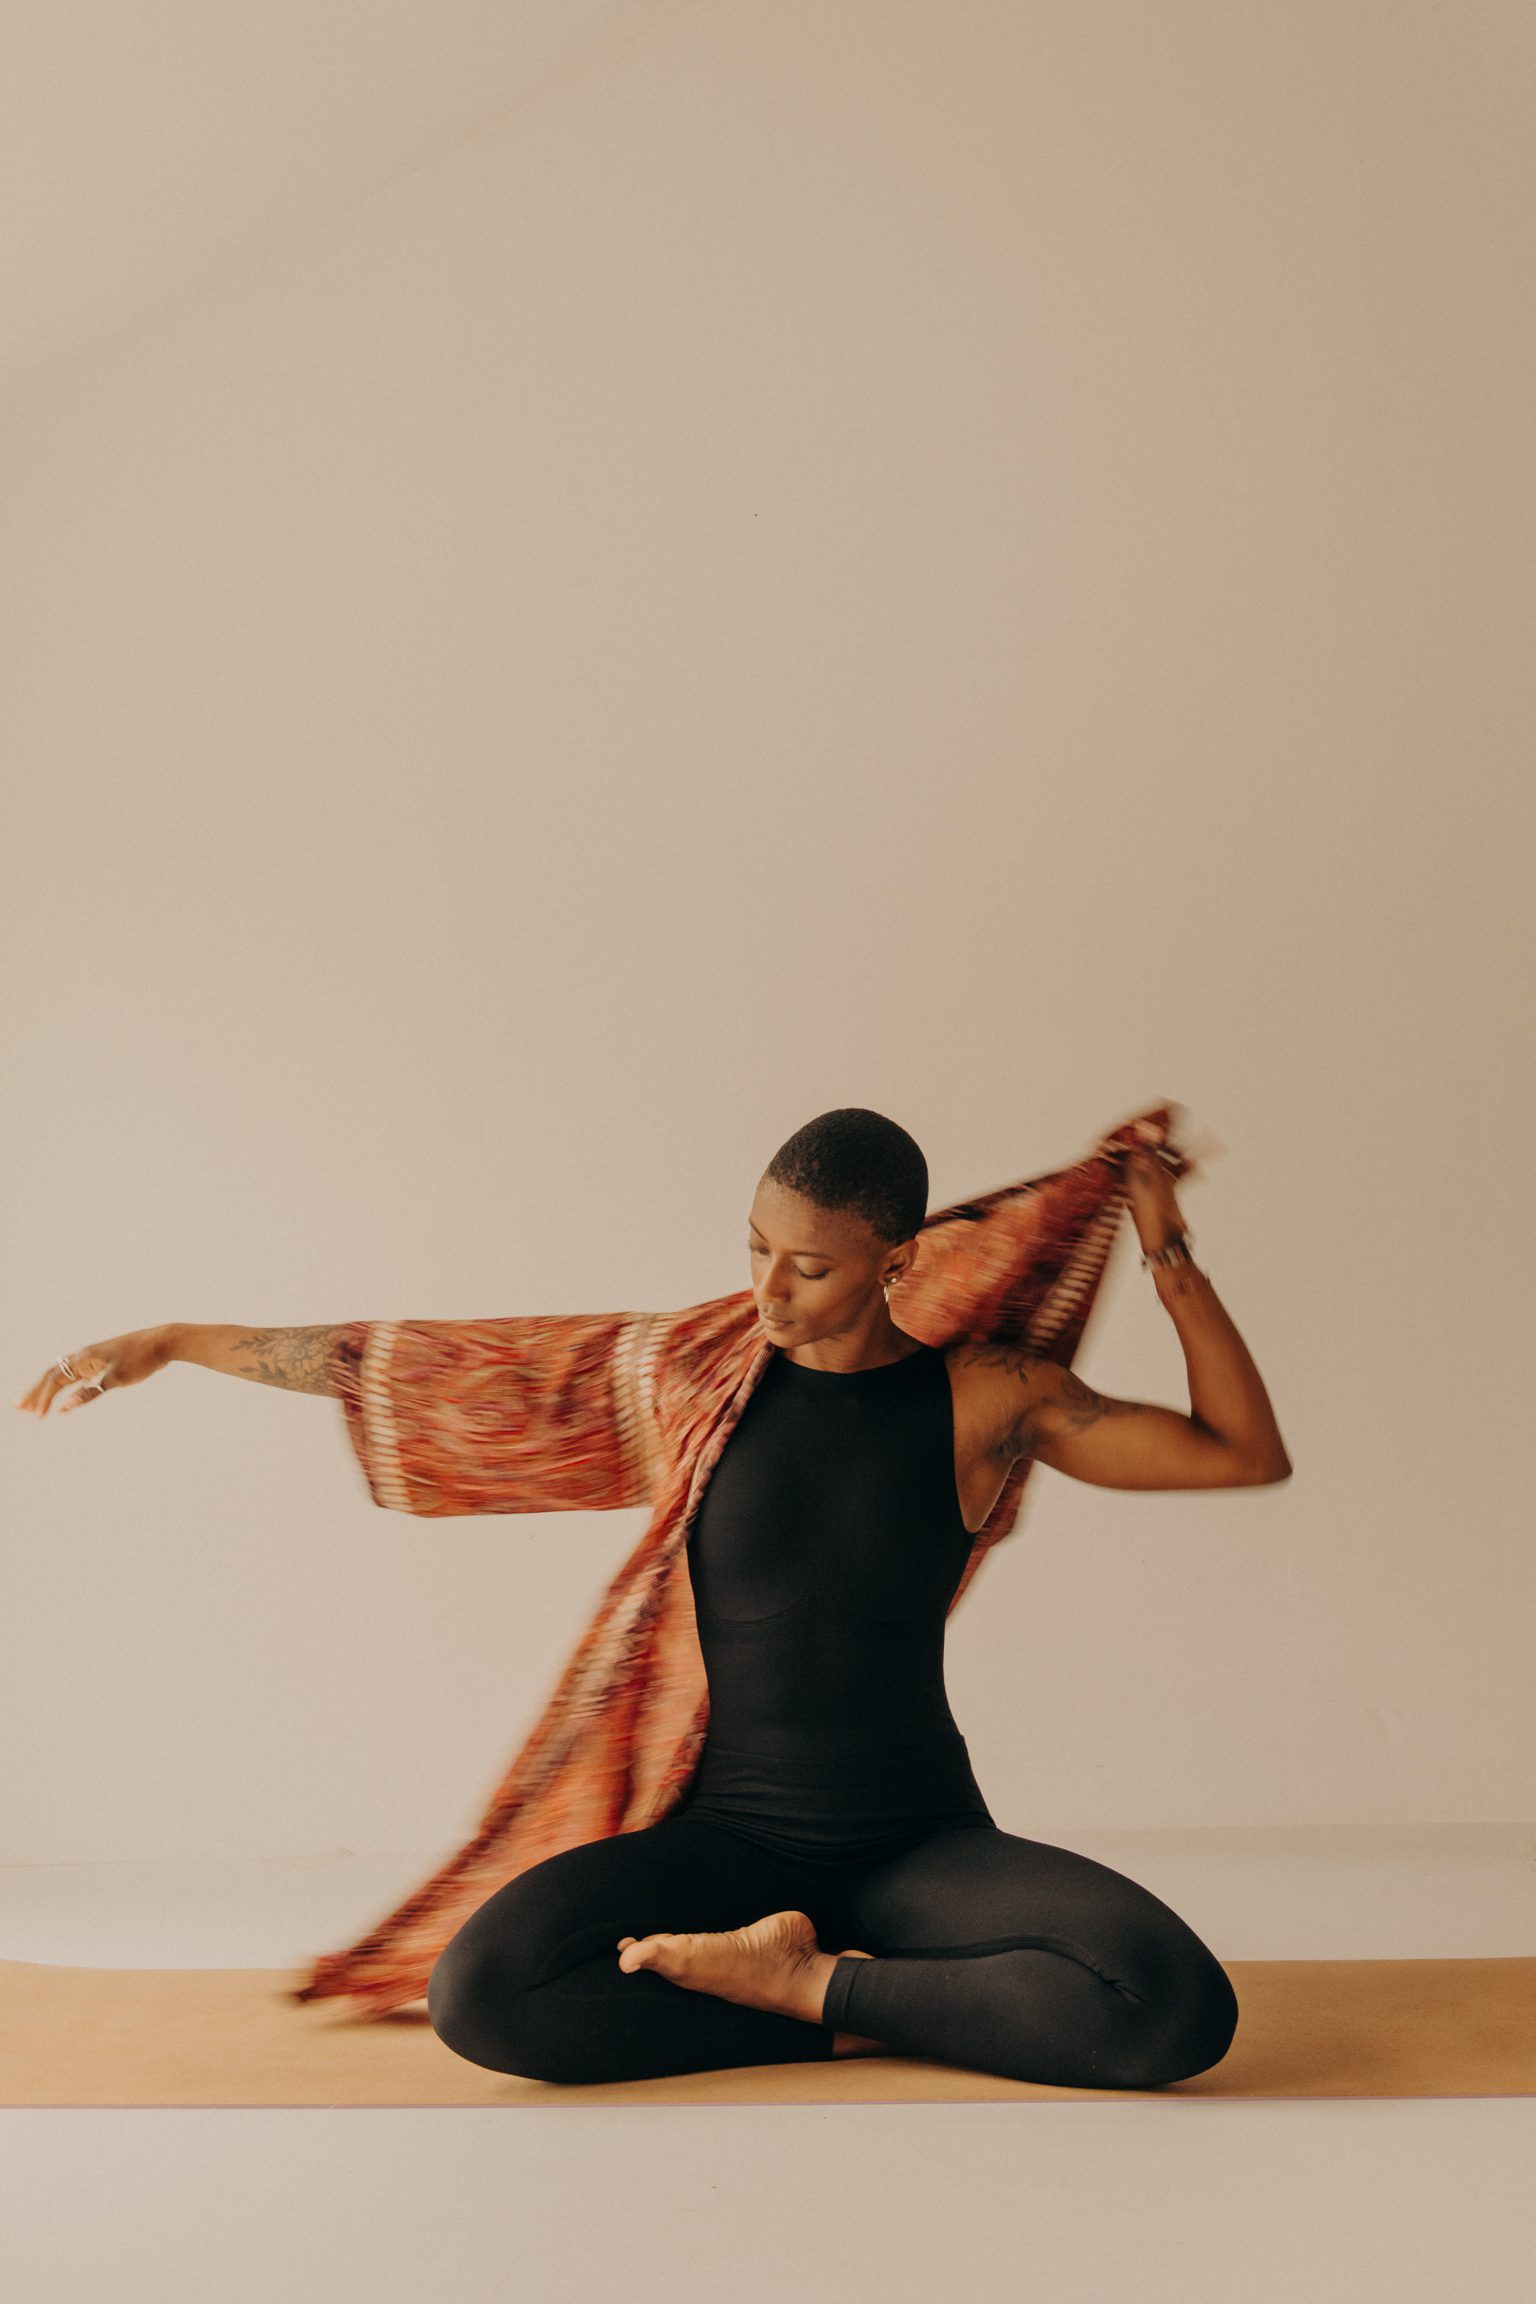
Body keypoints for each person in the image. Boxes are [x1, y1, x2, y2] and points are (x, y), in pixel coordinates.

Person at [16, 1108, 1290, 2091]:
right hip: (725, 1840)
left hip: (919, 1850)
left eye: (809, 1269)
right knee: (485, 1997)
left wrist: (1162, 1241)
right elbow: (443, 1370)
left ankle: (803, 1990)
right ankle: (844, 2005)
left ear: (894, 1260)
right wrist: (177, 1342)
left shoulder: (987, 1398)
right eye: (754, 1250)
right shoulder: (695, 1377)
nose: (768, 1294)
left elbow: (1240, 1452)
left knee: (1174, 2004)